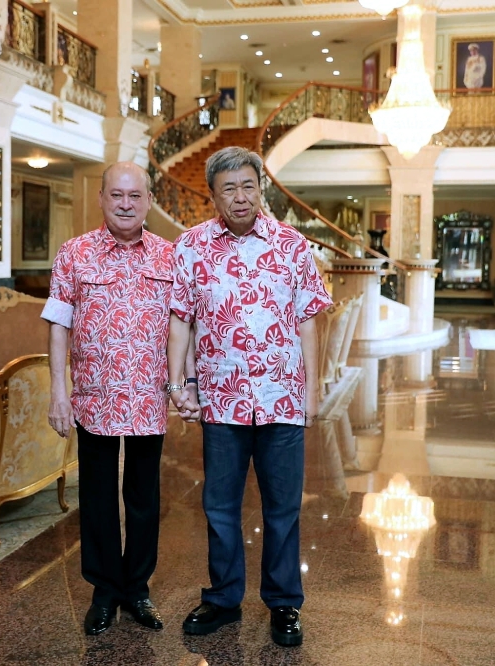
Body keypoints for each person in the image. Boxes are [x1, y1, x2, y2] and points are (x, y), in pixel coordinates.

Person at [166, 146, 332, 648]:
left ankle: (283, 603)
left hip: (282, 397)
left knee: (283, 508)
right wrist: (178, 384)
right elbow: (180, 320)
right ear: (213, 196)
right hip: (222, 399)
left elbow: (308, 322)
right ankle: (222, 598)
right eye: (228, 189)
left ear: (260, 188)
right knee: (219, 506)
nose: (240, 197)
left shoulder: (292, 245)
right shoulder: (191, 246)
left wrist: (312, 389)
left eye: (248, 186)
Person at [41, 161, 174, 637]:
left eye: (135, 196)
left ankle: (137, 589)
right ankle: (103, 592)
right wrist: (59, 392)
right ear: (100, 198)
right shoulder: (74, 253)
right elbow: (59, 325)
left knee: (143, 498)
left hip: (148, 398)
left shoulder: (169, 256)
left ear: (149, 202)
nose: (125, 204)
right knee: (97, 497)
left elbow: (183, 328)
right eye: (116, 195)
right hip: (93, 398)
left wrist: (184, 384)